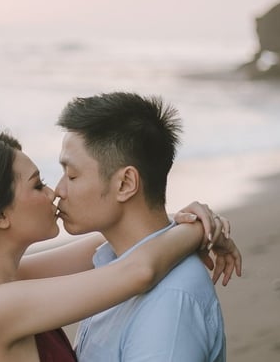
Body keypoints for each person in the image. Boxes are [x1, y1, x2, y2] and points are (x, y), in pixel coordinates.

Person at [0, 132, 240, 362]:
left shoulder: (9, 279)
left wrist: (191, 219)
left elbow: (115, 239)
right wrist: (199, 230)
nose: (54, 193)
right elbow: (139, 270)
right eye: (38, 185)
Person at [55, 91, 240, 361]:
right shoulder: (110, 264)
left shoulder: (171, 302)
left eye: (72, 175)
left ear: (125, 184)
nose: (58, 190)